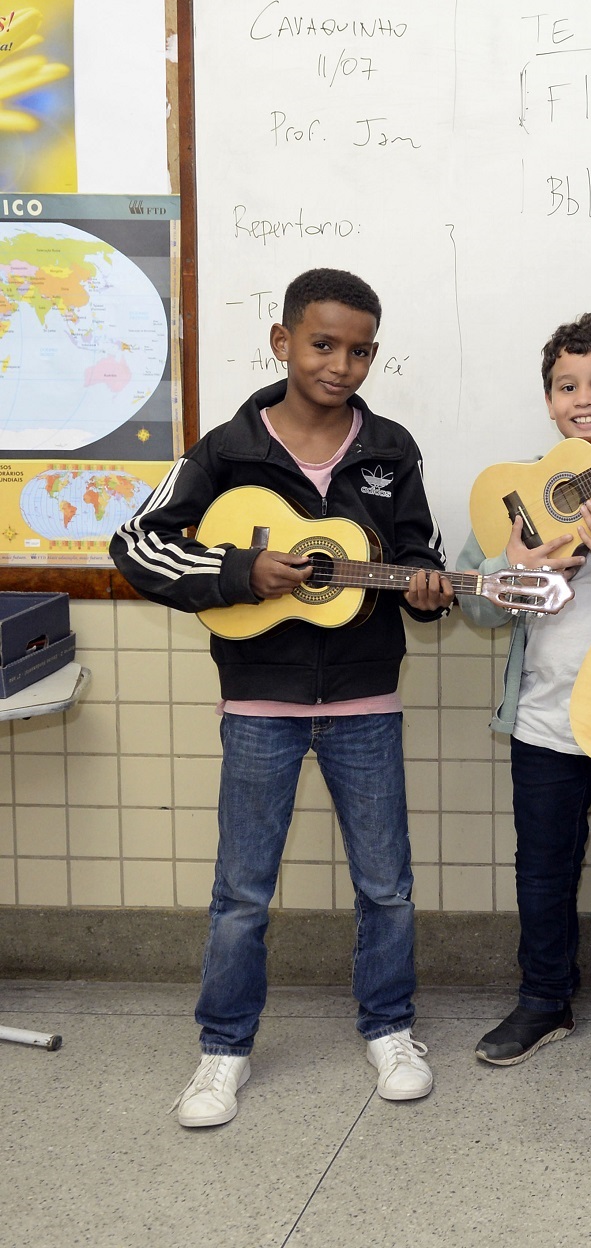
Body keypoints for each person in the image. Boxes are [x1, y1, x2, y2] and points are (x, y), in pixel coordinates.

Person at [110, 267, 454, 1128]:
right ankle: (223, 1050)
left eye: (361, 350)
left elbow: (419, 554)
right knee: (242, 891)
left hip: (365, 699)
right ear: (283, 341)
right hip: (259, 703)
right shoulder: (226, 451)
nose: (341, 365)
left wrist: (428, 588)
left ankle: (390, 1029)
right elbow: (135, 543)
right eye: (324, 344)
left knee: (387, 885)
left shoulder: (392, 448)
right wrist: (239, 571)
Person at [453, 314, 591, 1084]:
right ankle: (544, 998)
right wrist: (507, 569)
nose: (586, 400)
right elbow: (473, 606)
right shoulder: (515, 490)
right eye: (567, 386)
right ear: (548, 401)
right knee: (542, 869)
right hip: (543, 723)